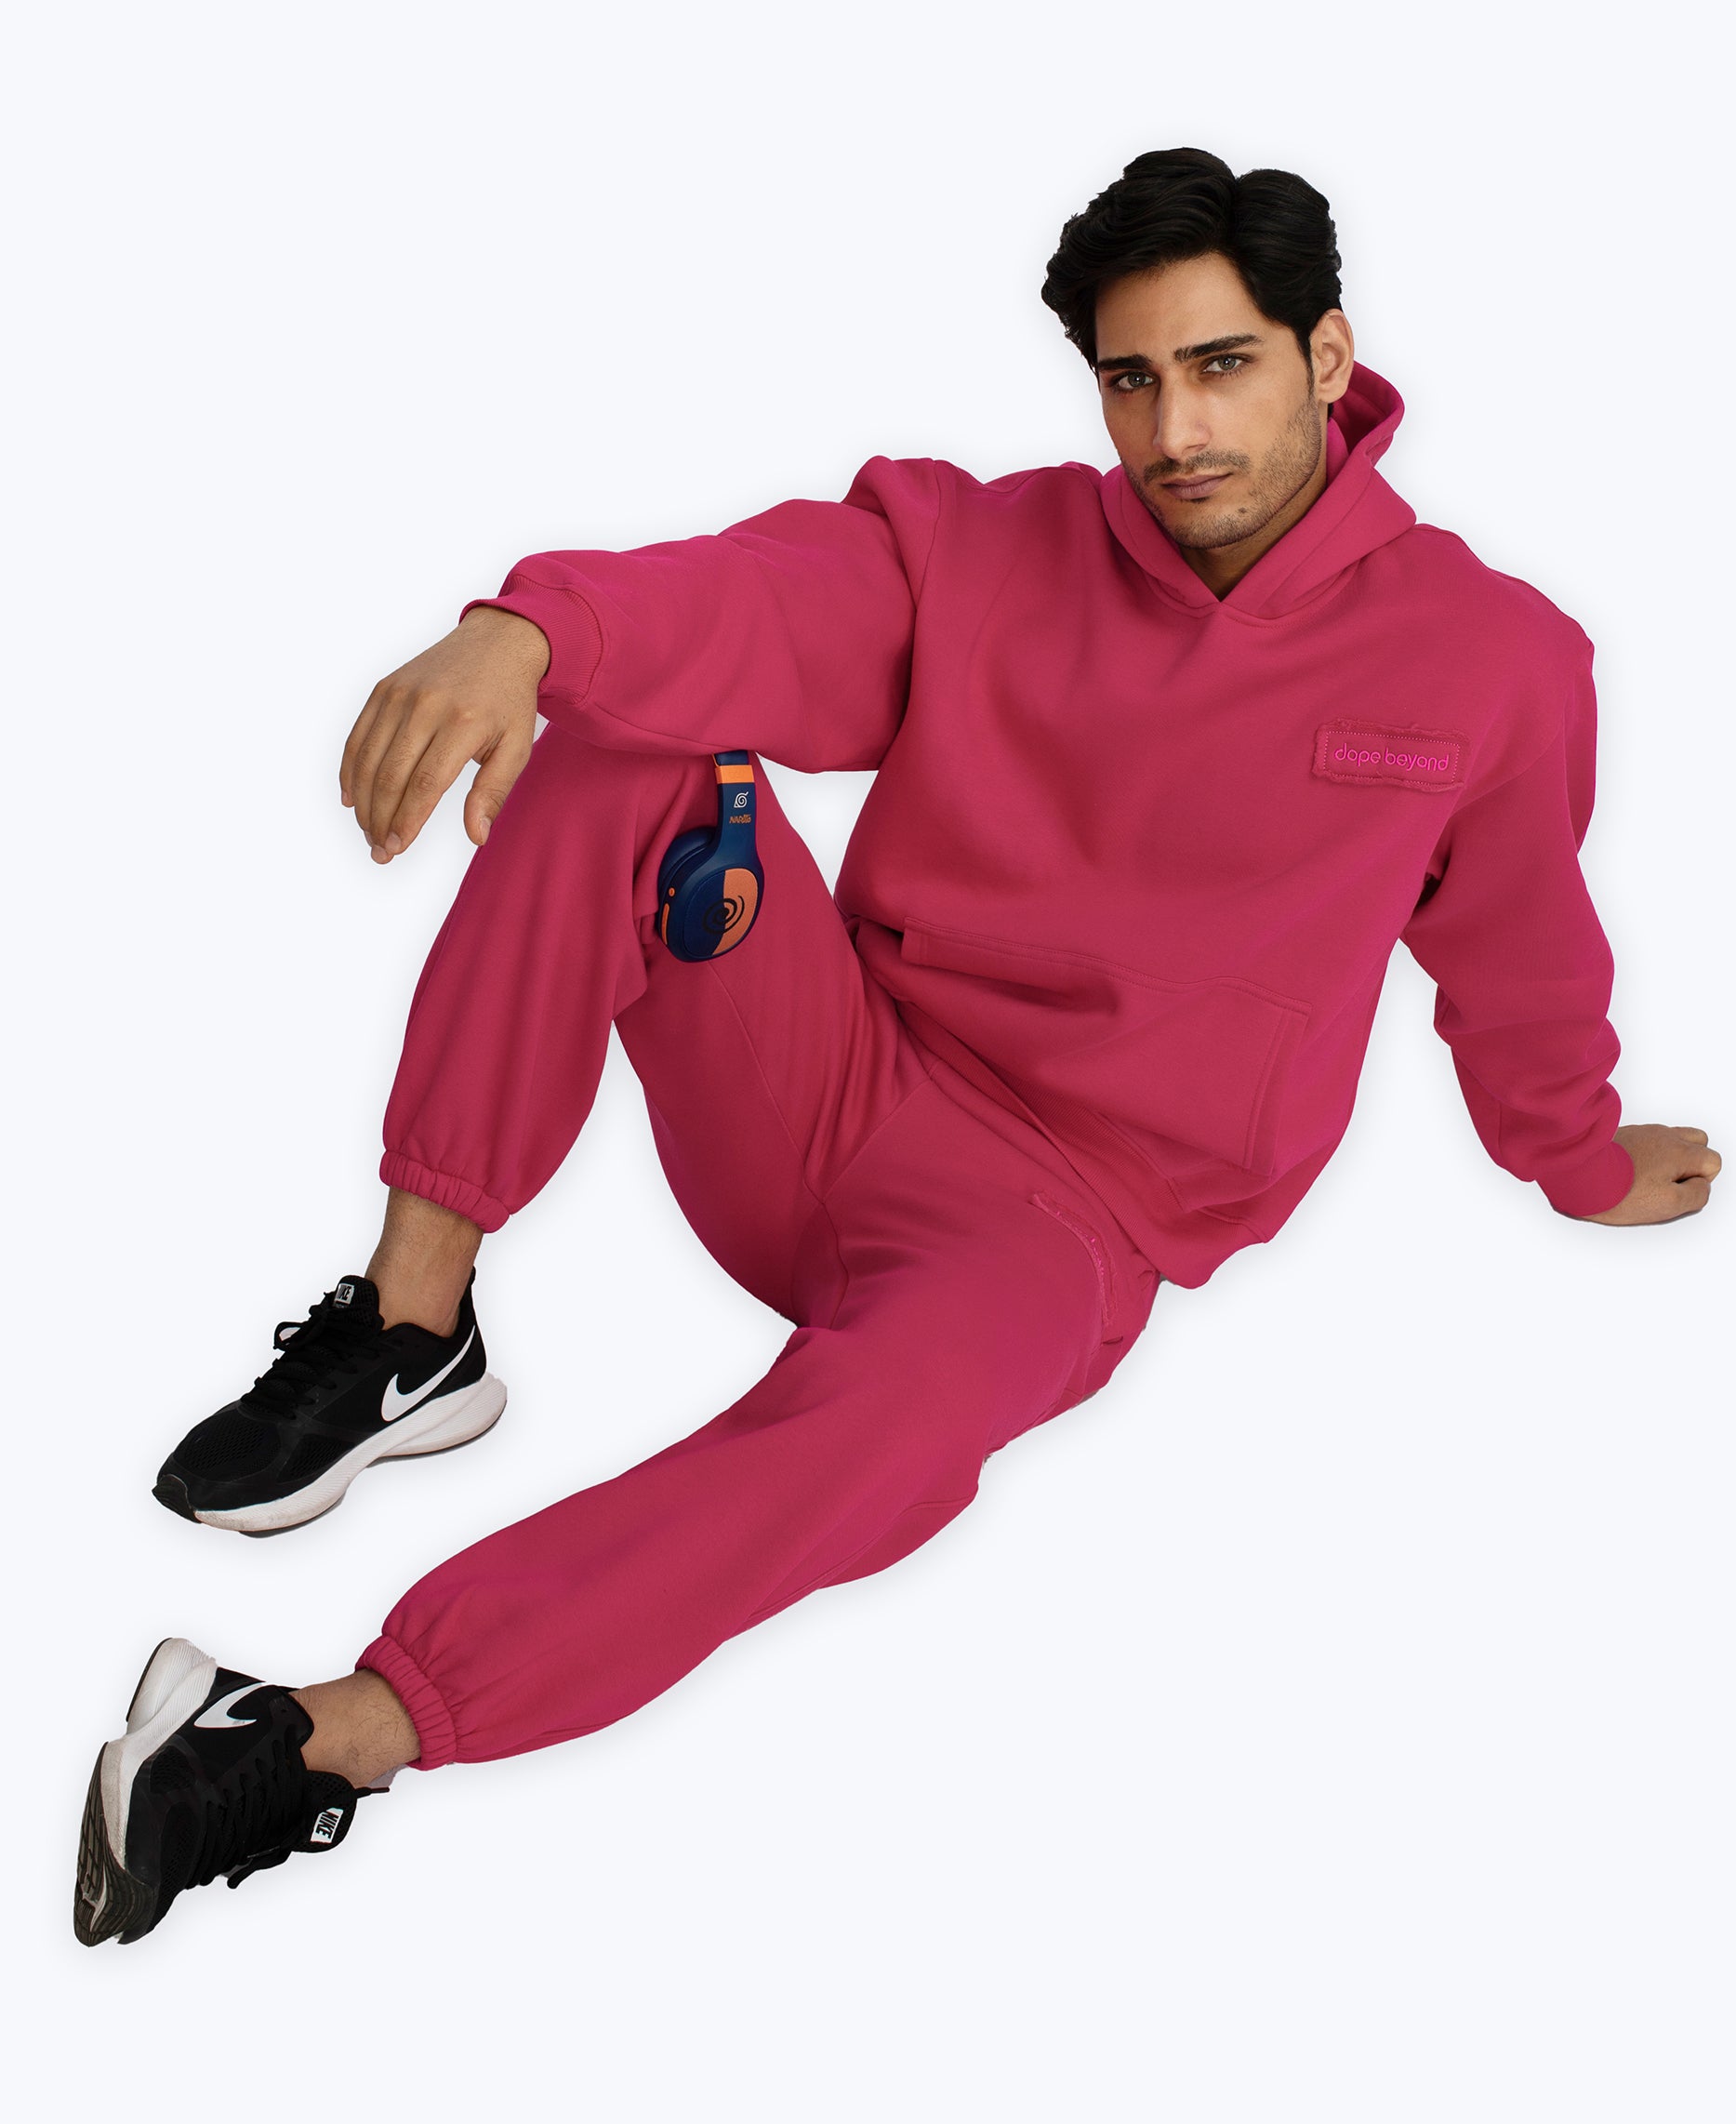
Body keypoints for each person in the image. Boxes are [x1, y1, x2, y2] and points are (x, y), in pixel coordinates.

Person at [73, 147, 1720, 1948]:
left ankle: (309, 1741)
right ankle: (413, 1329)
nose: (1174, 428)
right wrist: (532, 626)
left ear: (1329, 356)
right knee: (628, 736)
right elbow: (763, 601)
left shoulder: (1491, 660)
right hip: (828, 1079)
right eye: (1130, 378)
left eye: (1222, 365)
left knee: (899, 1434)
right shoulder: (987, 550)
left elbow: (1519, 957)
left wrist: (1580, 1159)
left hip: (1061, 1225)